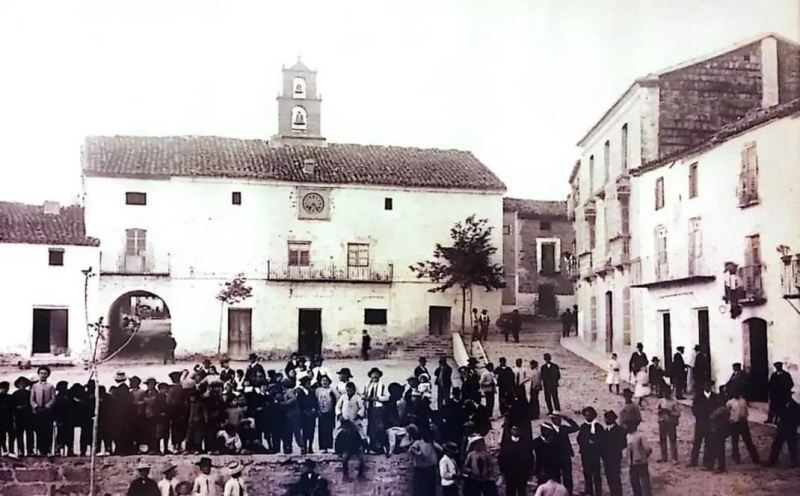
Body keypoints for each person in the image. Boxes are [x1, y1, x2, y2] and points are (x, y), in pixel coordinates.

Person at [726, 391, 761, 465]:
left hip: (742, 423)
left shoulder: (743, 401)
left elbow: (746, 412)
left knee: (748, 441)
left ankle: (755, 458)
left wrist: (744, 419)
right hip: (734, 423)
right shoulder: (730, 402)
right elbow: (727, 413)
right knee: (734, 442)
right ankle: (736, 458)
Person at [499, 425, 534, 496]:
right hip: (510, 474)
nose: (516, 431)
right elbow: (501, 458)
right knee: (510, 491)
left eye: (517, 429)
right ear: (511, 431)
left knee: (522, 491)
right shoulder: (506, 443)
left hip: (522, 474)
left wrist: (529, 471)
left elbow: (530, 458)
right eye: (514, 429)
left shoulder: (525, 443)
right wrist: (503, 471)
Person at [550, 411, 579, 496]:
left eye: (560, 419)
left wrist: (567, 418)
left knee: (568, 478)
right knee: (556, 477)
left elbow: (576, 427)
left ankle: (569, 494)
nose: (559, 421)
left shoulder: (564, 428)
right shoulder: (549, 429)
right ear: (552, 419)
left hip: (565, 456)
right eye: (557, 419)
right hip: (555, 457)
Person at [689, 381, 717, 468]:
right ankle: (693, 461)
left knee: (709, 443)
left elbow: (717, 409)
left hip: (710, 423)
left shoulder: (715, 397)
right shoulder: (698, 397)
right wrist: (699, 416)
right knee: (697, 442)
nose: (707, 387)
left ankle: (707, 463)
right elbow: (694, 408)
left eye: (709, 386)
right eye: (706, 385)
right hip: (700, 422)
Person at [577, 406, 603, 496]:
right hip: (585, 453)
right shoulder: (583, 426)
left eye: (589, 415)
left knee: (596, 474)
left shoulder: (598, 426)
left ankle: (598, 492)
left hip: (594, 454)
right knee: (587, 473)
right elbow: (579, 439)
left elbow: (601, 440)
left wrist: (594, 442)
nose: (588, 417)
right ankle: (589, 490)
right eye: (586, 415)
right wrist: (585, 442)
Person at [409, 426, 443, 496]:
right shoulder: (418, 442)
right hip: (421, 469)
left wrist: (433, 444)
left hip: (431, 468)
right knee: (420, 488)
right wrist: (419, 453)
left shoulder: (433, 443)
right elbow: (412, 449)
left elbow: (441, 449)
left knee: (431, 488)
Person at [767, 395, 799, 468]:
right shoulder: (794, 405)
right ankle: (793, 463)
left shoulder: (788, 403)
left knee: (778, 444)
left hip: (784, 426)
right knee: (792, 445)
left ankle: (772, 461)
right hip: (791, 427)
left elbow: (781, 412)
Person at [30, 365, 56, 456]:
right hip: (37, 412)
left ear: (48, 375)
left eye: (45, 373)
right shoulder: (34, 386)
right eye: (41, 373)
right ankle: (39, 450)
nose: (43, 375)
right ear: (38, 374)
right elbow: (32, 399)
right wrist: (36, 407)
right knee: (38, 431)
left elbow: (53, 399)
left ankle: (48, 450)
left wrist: (47, 407)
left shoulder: (51, 386)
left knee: (48, 431)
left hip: (47, 413)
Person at [363, 367, 389, 454]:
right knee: (370, 428)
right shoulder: (367, 385)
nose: (374, 376)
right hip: (369, 408)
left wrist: (377, 398)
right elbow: (363, 394)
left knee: (379, 427)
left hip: (378, 408)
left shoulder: (382, 385)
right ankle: (371, 446)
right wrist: (365, 397)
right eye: (373, 374)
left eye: (376, 374)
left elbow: (387, 397)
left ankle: (379, 447)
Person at [601, 410, 626, 496]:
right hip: (607, 458)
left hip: (615, 458)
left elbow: (622, 444)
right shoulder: (605, 431)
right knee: (609, 478)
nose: (606, 420)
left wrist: (615, 451)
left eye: (608, 418)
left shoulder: (620, 430)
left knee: (615, 478)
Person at [627, 421, 653, 496]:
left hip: (641, 463)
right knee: (635, 484)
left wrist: (644, 457)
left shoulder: (640, 435)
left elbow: (648, 449)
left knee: (645, 485)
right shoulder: (628, 436)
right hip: (632, 464)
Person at [656, 385, 680, 463]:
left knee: (672, 440)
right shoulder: (661, 401)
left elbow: (678, 413)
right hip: (662, 421)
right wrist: (660, 411)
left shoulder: (674, 401)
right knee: (662, 439)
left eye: (667, 393)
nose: (666, 394)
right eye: (664, 393)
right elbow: (656, 411)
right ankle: (664, 457)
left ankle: (674, 458)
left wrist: (669, 412)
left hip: (671, 422)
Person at [12, 376, 34, 457]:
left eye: (24, 383)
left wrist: (25, 406)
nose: (22, 385)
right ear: (18, 385)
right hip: (19, 417)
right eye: (20, 383)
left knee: (30, 434)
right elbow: (12, 406)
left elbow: (32, 403)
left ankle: (30, 450)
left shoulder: (30, 393)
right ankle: (20, 450)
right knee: (19, 435)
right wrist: (17, 408)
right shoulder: (15, 394)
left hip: (29, 416)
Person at [315, 375, 336, 453]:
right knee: (322, 430)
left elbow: (335, 400)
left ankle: (330, 446)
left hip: (330, 412)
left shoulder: (331, 390)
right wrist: (318, 410)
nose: (325, 382)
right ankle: (323, 447)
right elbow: (315, 400)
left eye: (326, 380)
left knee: (329, 429)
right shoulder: (318, 390)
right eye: (323, 380)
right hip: (321, 412)